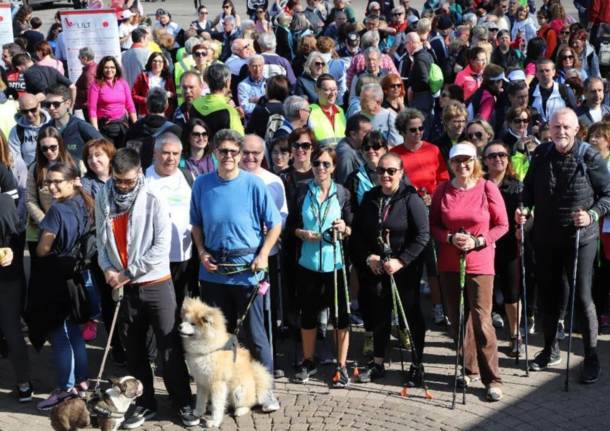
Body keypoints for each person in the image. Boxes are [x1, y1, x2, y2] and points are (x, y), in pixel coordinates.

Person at [95, 148, 198, 428]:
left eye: (128, 181)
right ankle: (145, 402)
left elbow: (160, 248)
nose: (123, 186)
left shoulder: (153, 196)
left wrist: (127, 273)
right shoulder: (104, 195)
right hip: (123, 286)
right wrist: (107, 268)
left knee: (169, 347)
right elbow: (101, 241)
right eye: (118, 181)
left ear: (139, 173)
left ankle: (183, 402)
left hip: (156, 284)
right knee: (134, 350)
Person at [189, 129, 282, 412]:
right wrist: (202, 252)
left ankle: (266, 392)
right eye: (223, 151)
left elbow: (274, 224)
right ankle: (225, 389)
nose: (228, 156)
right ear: (215, 153)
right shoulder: (202, 185)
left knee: (256, 335)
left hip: (247, 271)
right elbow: (196, 225)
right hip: (213, 270)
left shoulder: (254, 185)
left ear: (240, 155)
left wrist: (264, 254)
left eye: (233, 151)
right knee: (216, 334)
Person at [516, 108, 610, 384]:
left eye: (567, 127)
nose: (561, 132)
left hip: (580, 237)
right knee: (548, 296)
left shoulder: (589, 156)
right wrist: (524, 208)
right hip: (546, 236)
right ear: (550, 128)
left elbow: (607, 194)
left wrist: (591, 214)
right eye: (556, 127)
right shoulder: (541, 154)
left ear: (577, 130)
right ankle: (550, 348)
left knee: (582, 297)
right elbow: (528, 190)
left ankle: (591, 357)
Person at [430, 142, 508, 402]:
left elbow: (502, 225)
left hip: (480, 264)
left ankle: (492, 378)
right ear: (450, 163)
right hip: (450, 263)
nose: (462, 165)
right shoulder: (443, 190)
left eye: (467, 160)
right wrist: (450, 238)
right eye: (456, 161)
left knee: (482, 320)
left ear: (475, 161)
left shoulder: (487, 188)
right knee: (457, 318)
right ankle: (468, 367)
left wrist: (478, 241)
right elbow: (434, 227)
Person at [351, 151, 429, 384]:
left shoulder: (410, 198)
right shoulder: (370, 197)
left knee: (410, 313)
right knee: (379, 314)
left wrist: (401, 260)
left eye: (391, 171)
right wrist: (368, 258)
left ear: (401, 173)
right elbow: (358, 235)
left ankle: (417, 364)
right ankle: (377, 362)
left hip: (405, 266)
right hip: (377, 266)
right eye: (381, 170)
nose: (385, 175)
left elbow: (423, 235)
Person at [287, 146, 353, 387]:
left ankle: (342, 365)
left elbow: (351, 227)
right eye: (317, 163)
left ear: (334, 167)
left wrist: (343, 228)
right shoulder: (303, 190)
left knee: (340, 316)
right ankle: (308, 361)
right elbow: (291, 225)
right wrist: (301, 232)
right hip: (308, 264)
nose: (321, 168)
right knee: (309, 315)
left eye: (326, 164)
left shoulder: (342, 193)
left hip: (335, 264)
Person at [29, 162, 92, 411]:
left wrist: (43, 246)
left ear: (72, 181)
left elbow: (43, 248)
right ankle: (82, 382)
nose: (51, 186)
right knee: (75, 333)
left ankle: (66, 390)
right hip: (78, 278)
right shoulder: (85, 202)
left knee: (60, 335)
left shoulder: (56, 211)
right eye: (48, 182)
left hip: (58, 279)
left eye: (57, 181)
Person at [392, 108, 449, 325]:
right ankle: (403, 310)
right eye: (413, 130)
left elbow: (443, 179)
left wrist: (432, 197)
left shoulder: (433, 150)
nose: (418, 133)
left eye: (421, 129)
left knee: (432, 263)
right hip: (404, 215)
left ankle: (438, 307)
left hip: (429, 212)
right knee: (405, 263)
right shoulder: (395, 153)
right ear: (402, 131)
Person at [482, 141, 524, 357]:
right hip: (483, 246)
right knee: (484, 294)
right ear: (485, 160)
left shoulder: (516, 186)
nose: (498, 159)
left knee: (512, 293)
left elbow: (526, 214)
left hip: (509, 245)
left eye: (502, 155)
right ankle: (483, 337)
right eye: (492, 156)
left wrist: (524, 224)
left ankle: (515, 334)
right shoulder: (478, 185)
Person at [145, 133, 194, 311]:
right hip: (154, 258)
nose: (171, 158)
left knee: (181, 303)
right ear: (155, 154)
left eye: (175, 153)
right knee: (159, 308)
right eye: (166, 153)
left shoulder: (188, 177)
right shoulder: (143, 179)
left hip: (183, 255)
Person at [0, 167, 31, 403]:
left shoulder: (3, 204)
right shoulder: (8, 204)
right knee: (12, 329)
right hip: (10, 277)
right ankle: (24, 385)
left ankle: (23, 382)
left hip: (7, 277)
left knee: (11, 330)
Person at [42, 84, 102, 165]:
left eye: (56, 104)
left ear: (68, 103)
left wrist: (89, 164)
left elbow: (105, 148)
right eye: (48, 104)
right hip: (53, 175)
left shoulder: (81, 126)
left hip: (78, 175)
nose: (51, 108)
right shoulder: (45, 130)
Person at [125, 88, 182, 171]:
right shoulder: (176, 131)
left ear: (147, 106)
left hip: (139, 175)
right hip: (166, 175)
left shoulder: (134, 128)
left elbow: (126, 154)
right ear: (166, 106)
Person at [88, 56, 137, 146]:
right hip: (105, 127)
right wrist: (95, 131)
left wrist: (136, 125)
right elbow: (92, 109)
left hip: (122, 125)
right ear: (102, 69)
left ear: (116, 68)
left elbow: (130, 105)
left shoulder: (123, 83)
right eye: (106, 67)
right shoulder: (95, 85)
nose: (109, 70)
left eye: (112, 67)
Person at [191, 63, 244, 137]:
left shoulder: (195, 104)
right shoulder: (229, 111)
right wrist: (238, 118)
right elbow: (239, 139)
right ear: (227, 82)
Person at [529, 59, 577, 124]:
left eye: (547, 70)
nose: (544, 74)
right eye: (541, 71)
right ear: (536, 74)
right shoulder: (531, 92)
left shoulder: (565, 90)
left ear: (554, 72)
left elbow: (574, 113)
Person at [8, 93, 51, 166]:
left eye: (33, 110)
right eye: (25, 111)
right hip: (29, 173)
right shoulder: (16, 131)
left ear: (39, 106)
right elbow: (15, 158)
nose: (29, 114)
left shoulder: (51, 124)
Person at [132, 52, 176, 117]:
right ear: (150, 62)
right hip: (146, 114)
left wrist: (170, 94)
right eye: (154, 61)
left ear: (164, 64)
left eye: (160, 61)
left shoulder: (168, 78)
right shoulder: (143, 76)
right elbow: (133, 95)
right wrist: (145, 100)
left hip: (164, 115)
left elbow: (174, 95)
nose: (157, 64)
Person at [246, 75, 291, 139]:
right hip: (284, 145)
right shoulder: (289, 109)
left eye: (265, 86)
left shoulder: (260, 110)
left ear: (270, 90)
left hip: (264, 146)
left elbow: (249, 132)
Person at [335, 114, 373, 184]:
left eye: (371, 131)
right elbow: (346, 185)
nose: (371, 135)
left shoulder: (359, 146)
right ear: (353, 134)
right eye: (366, 132)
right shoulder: (346, 155)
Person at [74, 47, 97, 121]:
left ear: (85, 58)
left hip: (88, 107)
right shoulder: (94, 67)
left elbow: (89, 92)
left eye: (79, 57)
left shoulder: (89, 73)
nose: (78, 59)